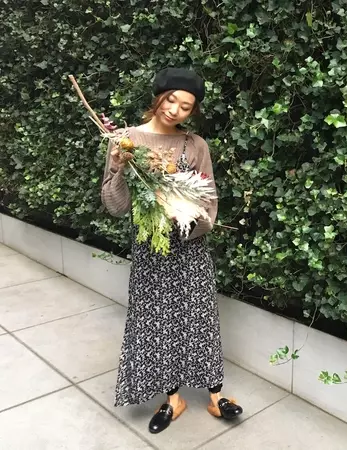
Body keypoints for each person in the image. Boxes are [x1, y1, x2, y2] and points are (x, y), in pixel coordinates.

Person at [101, 67, 243, 434]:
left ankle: (216, 395)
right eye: (171, 100)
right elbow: (115, 206)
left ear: (193, 111)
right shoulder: (125, 140)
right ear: (159, 97)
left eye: (186, 106)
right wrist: (118, 169)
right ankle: (173, 398)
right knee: (159, 320)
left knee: (200, 317)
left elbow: (209, 200)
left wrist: (182, 215)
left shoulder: (195, 145)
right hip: (151, 249)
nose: (175, 110)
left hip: (190, 247)